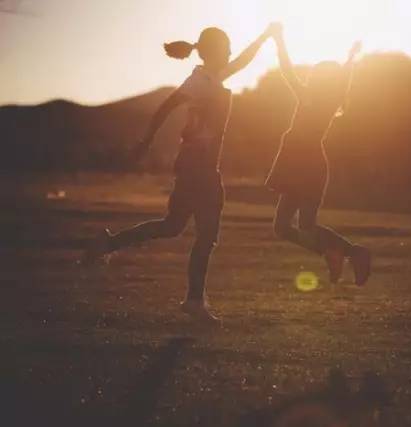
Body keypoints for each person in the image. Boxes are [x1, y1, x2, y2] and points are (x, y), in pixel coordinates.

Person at [82, 24, 278, 323]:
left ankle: (109, 244)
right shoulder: (199, 81)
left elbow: (242, 61)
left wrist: (265, 37)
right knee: (205, 234)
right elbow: (166, 106)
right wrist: (145, 141)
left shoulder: (212, 77)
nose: (230, 53)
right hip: (198, 166)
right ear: (215, 51)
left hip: (196, 164)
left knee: (173, 226)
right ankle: (194, 300)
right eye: (226, 48)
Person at [266, 24, 371, 286]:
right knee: (291, 227)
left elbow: (287, 70)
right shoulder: (322, 97)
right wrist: (350, 57)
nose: (311, 76)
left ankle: (348, 252)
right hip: (301, 163)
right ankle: (341, 252)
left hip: (305, 164)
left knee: (295, 226)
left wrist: (279, 39)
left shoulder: (316, 98)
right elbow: (340, 75)